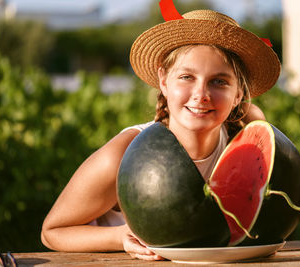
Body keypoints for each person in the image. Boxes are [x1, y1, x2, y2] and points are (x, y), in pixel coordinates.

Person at [41, 4, 281, 261]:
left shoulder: (248, 132)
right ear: (164, 81)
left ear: (239, 95)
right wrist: (119, 237)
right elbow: (52, 232)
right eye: (187, 77)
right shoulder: (121, 155)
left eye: (219, 81)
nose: (201, 95)